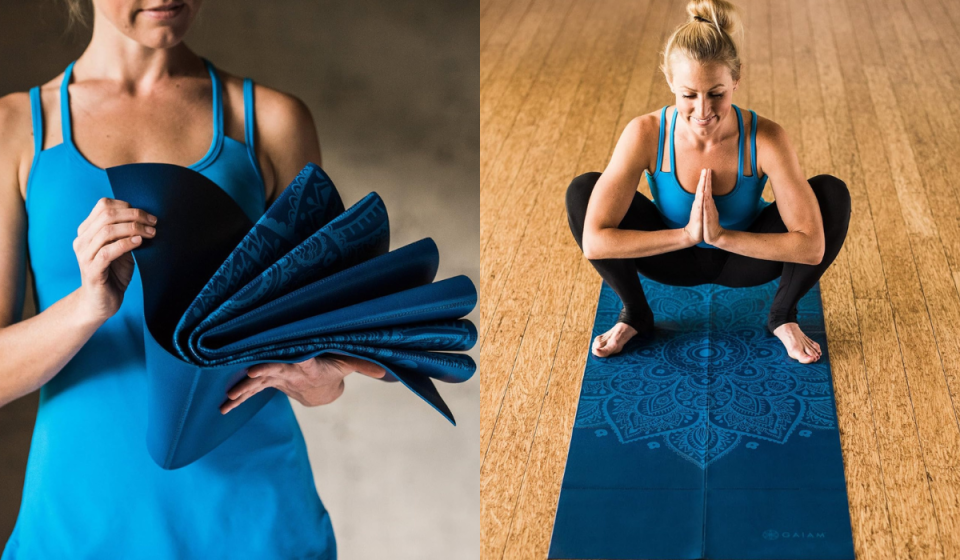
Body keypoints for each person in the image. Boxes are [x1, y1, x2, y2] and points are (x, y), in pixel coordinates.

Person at [0, 1, 385, 557]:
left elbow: (323, 368)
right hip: (80, 526)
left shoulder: (272, 122)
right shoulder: (15, 131)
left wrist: (319, 379)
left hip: (256, 524)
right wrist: (86, 306)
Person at [566, 0, 850, 363]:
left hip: (743, 258)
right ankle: (635, 312)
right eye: (688, 95)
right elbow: (594, 241)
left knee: (831, 193)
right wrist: (688, 236)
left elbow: (811, 247)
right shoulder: (645, 133)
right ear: (670, 80)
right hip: (671, 256)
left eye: (717, 93)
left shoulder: (766, 138)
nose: (703, 111)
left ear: (736, 78)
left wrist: (721, 237)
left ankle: (783, 315)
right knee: (583, 191)